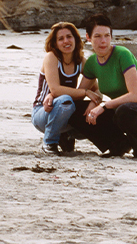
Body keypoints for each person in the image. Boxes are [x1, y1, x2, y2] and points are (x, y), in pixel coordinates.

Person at [69, 13, 137, 159]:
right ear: (88, 37)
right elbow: (79, 93)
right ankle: (119, 145)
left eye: (107, 36)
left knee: (125, 109)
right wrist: (93, 101)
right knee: (75, 109)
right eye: (97, 36)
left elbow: (135, 95)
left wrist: (102, 106)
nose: (103, 41)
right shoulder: (91, 63)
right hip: (119, 112)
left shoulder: (123, 54)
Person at [31, 22, 100, 155]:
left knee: (98, 112)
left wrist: (93, 103)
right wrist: (85, 92)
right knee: (65, 101)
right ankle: (49, 143)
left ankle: (67, 135)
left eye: (69, 36)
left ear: (75, 38)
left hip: (66, 111)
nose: (66, 41)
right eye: (61, 39)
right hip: (43, 111)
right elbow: (55, 90)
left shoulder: (81, 61)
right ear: (55, 43)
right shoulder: (51, 58)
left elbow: (98, 91)